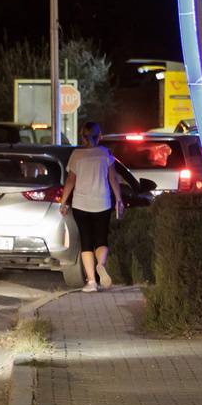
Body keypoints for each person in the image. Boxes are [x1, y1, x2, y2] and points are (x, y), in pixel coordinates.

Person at [61, 121, 123, 292]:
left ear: (83, 136)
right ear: (99, 136)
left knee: (86, 242)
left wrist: (63, 201)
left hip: (81, 204)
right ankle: (101, 265)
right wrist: (119, 199)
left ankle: (91, 282)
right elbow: (113, 179)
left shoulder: (77, 155)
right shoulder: (105, 154)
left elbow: (70, 180)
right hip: (102, 203)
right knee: (101, 239)